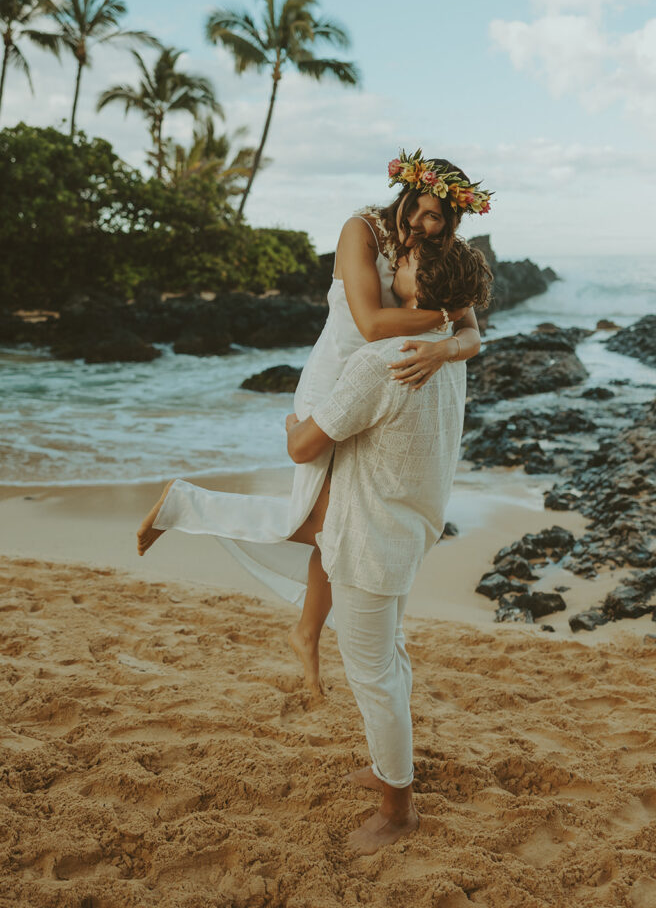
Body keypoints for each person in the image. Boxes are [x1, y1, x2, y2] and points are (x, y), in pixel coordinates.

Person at [136, 150, 493, 694]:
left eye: (437, 218)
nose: (425, 225)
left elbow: (474, 334)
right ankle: (189, 506)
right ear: (404, 195)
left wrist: (445, 349)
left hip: (385, 386)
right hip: (336, 383)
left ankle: (305, 632)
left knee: (337, 526)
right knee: (330, 523)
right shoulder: (362, 231)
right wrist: (446, 323)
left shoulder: (436, 253)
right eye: (419, 212)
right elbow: (374, 323)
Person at [285, 237, 492, 855]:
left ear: (420, 288)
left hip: (369, 536)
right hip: (409, 527)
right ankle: (388, 769)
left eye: (401, 262)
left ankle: (396, 810)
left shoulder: (382, 360)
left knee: (372, 673)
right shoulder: (446, 358)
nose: (390, 264)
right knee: (390, 657)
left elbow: (304, 447)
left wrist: (293, 423)